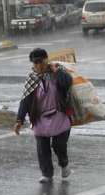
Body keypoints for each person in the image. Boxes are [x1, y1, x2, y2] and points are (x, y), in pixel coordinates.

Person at [14, 48, 73, 183]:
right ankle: (47, 173)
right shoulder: (32, 78)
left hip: (59, 115)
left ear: (46, 59)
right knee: (42, 147)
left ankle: (64, 164)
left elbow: (67, 83)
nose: (38, 66)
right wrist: (19, 120)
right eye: (35, 63)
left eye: (40, 62)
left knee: (59, 145)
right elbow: (25, 100)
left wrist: (56, 71)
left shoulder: (58, 72)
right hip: (40, 118)